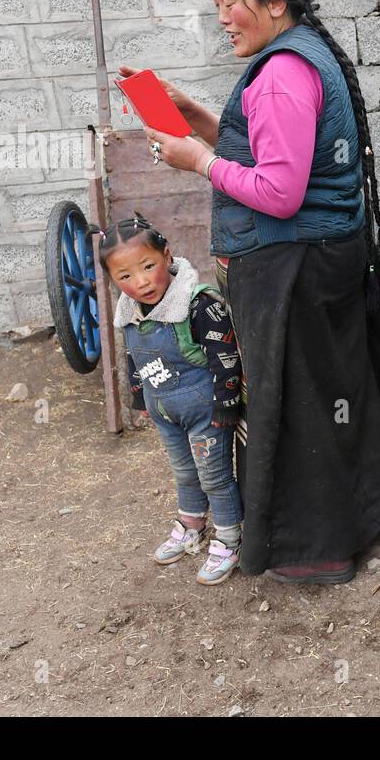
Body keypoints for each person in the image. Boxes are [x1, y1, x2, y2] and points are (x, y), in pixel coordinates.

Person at [122, 0, 380, 585]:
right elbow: (275, 157)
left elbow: (278, 192)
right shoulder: (301, 55)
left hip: (293, 269)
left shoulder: (280, 73)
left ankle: (317, 549)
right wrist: (198, 121)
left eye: (230, 0)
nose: (221, 15)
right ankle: (368, 514)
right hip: (324, 257)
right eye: (216, 2)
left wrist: (198, 162)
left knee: (300, 403)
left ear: (274, 1)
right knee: (336, 391)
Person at [99, 214, 244, 586]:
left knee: (214, 477)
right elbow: (135, 357)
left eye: (148, 266)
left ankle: (230, 538)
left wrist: (226, 405)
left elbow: (226, 357)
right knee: (183, 473)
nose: (141, 281)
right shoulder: (129, 311)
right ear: (112, 280)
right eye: (125, 276)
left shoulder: (197, 305)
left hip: (205, 414)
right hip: (165, 410)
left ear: (167, 255)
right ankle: (191, 524)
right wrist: (139, 399)